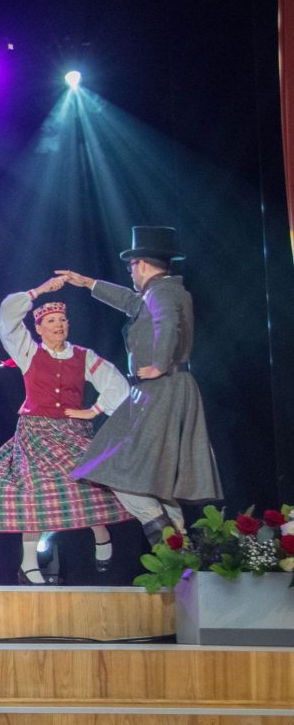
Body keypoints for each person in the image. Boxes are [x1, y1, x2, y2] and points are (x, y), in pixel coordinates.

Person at [58, 226, 222, 545]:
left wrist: (160, 363)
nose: (130, 272)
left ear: (142, 264)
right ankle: (178, 542)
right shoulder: (157, 292)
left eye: (131, 265)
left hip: (161, 389)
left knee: (116, 465)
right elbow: (130, 302)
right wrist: (88, 282)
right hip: (160, 390)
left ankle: (163, 532)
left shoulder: (163, 292)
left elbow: (168, 324)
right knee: (155, 473)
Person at [0, 278, 131, 583]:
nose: (59, 325)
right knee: (33, 492)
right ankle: (29, 564)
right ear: (39, 328)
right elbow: (7, 317)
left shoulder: (83, 356)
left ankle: (102, 535)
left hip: (72, 432)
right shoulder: (28, 352)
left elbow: (117, 386)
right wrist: (39, 291)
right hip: (35, 434)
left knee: (89, 482)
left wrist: (94, 410)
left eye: (63, 320)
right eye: (51, 321)